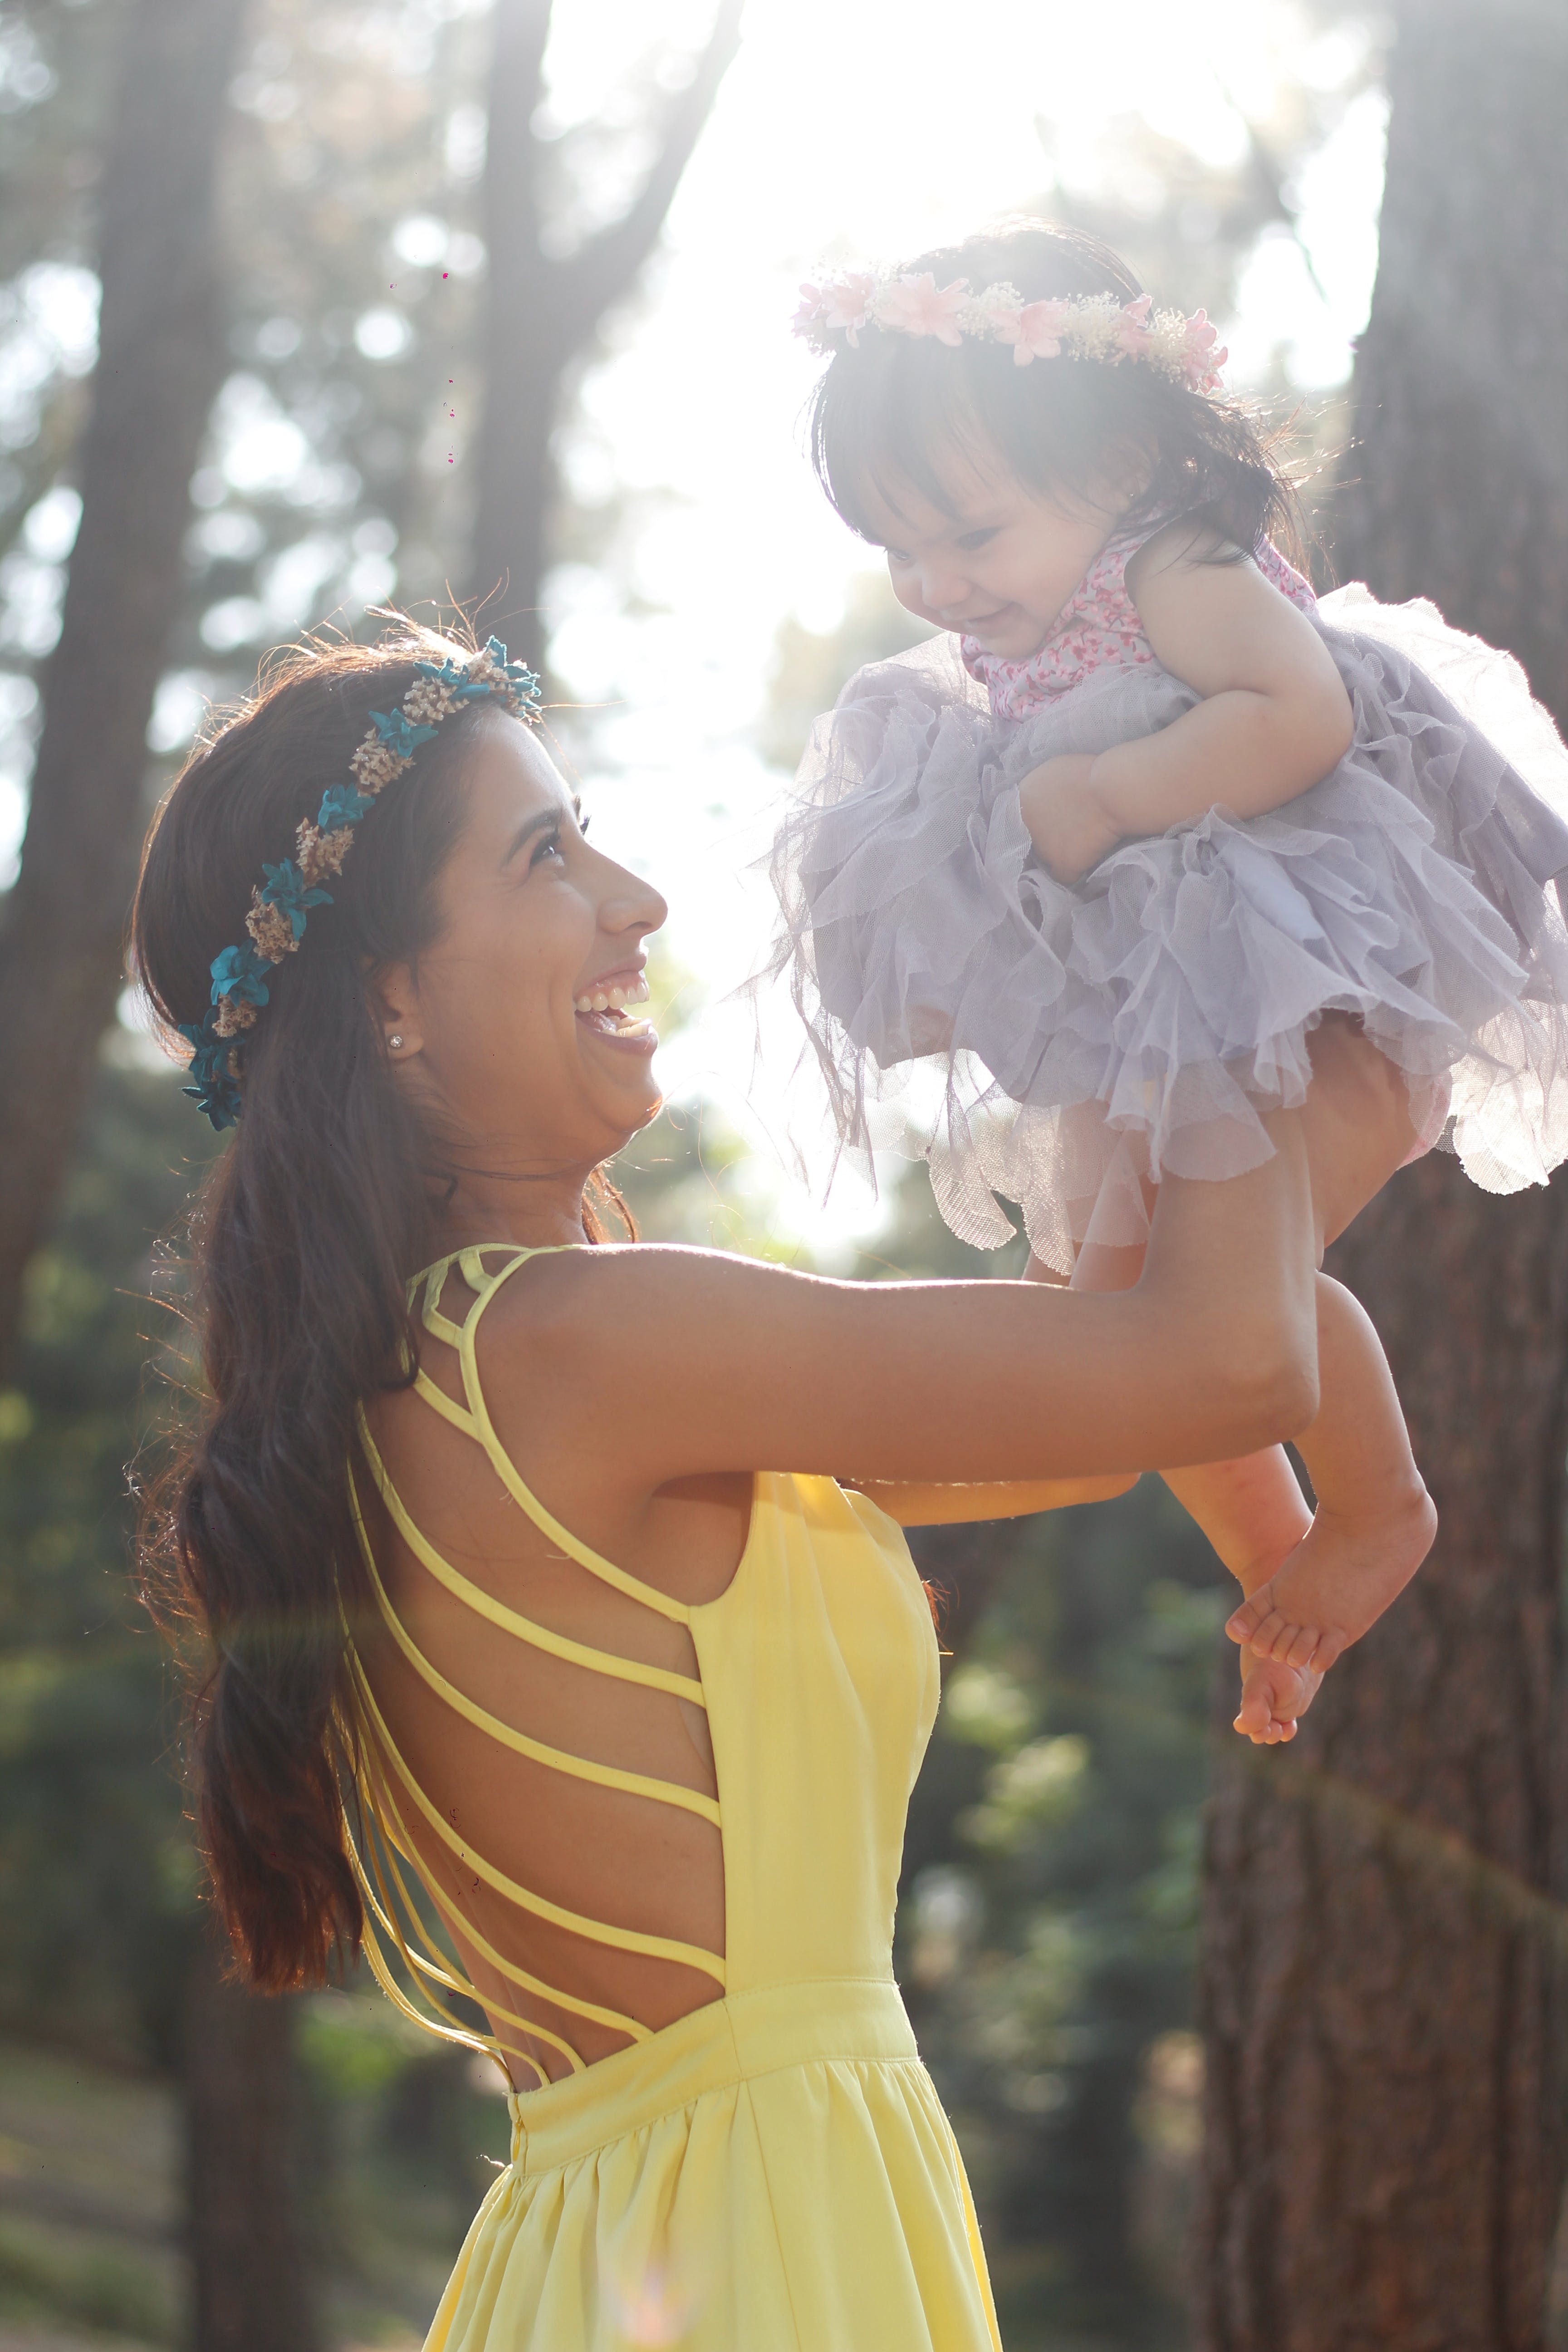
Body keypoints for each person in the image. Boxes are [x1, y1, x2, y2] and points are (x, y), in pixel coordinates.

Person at [128, 621, 1411, 2350]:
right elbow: (1221, 1368)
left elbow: (1118, 1401)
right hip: (754, 2249)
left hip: (643, 2235)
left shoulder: (447, 1369)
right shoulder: (575, 1346)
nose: (635, 898)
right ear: (390, 1001)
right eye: (546, 856)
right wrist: (1227, 950)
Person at [775, 218, 1568, 1710]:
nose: (939, 583)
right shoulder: (1026, 610)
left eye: (973, 532)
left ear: (1122, 467)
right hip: (1159, 1013)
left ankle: (1383, 1504)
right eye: (902, 548)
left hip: (1280, 978)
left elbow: (1301, 712)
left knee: (1204, 1315)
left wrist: (1109, 796)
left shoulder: (1176, 565)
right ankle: (1282, 1576)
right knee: (1132, 1344)